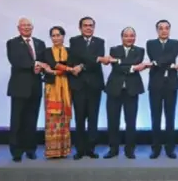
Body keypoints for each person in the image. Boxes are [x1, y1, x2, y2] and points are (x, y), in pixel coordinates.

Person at [68, 17, 109, 160]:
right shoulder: (74, 41)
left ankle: (91, 148)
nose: (88, 28)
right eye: (85, 25)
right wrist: (96, 58)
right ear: (80, 28)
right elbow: (77, 55)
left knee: (93, 118)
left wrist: (83, 65)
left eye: (91, 25)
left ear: (94, 27)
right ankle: (79, 149)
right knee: (79, 119)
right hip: (78, 85)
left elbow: (93, 63)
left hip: (94, 85)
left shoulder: (100, 41)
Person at [7, 18, 46, 162]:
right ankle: (16, 151)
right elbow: (15, 61)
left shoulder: (39, 43)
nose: (26, 27)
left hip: (35, 87)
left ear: (33, 27)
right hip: (19, 88)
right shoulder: (12, 43)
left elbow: (44, 62)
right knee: (17, 120)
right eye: (23, 25)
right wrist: (34, 66)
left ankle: (30, 149)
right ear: (18, 28)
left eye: (29, 25)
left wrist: (42, 68)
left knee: (32, 120)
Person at [104, 27, 146, 159]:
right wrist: (133, 67)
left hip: (132, 90)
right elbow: (117, 67)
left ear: (135, 37)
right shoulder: (114, 50)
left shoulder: (140, 50)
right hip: (114, 89)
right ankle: (113, 149)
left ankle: (130, 150)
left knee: (131, 121)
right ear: (122, 37)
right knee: (113, 121)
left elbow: (128, 63)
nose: (129, 38)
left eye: (132, 35)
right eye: (126, 36)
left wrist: (119, 61)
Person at [146, 19, 178, 159]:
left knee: (170, 117)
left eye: (166, 28)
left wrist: (155, 63)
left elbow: (171, 57)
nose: (164, 30)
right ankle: (156, 148)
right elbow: (155, 57)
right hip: (155, 84)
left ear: (169, 30)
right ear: (157, 30)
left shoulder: (175, 43)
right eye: (161, 28)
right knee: (155, 117)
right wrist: (167, 64)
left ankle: (170, 148)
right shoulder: (150, 43)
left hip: (171, 84)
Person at [42, 26, 75, 159]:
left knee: (64, 119)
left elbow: (57, 66)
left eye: (58, 35)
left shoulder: (70, 51)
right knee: (52, 118)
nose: (56, 38)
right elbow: (51, 63)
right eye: (53, 35)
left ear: (63, 36)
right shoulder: (46, 51)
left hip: (66, 88)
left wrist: (54, 70)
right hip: (52, 89)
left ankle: (64, 150)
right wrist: (67, 68)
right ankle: (52, 151)